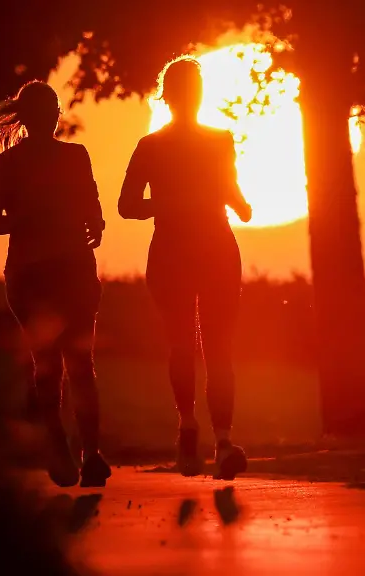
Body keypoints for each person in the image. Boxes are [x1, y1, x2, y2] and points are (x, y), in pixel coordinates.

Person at [119, 57, 252, 480]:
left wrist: (238, 203)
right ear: (177, 96)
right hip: (200, 248)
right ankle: (209, 436)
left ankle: (203, 434)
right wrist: (191, 203)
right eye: (191, 88)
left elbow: (228, 186)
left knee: (198, 346)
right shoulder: (167, 144)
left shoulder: (170, 144)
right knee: (209, 347)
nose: (193, 95)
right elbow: (126, 205)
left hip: (190, 249)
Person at [0, 80, 110, 488]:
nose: (50, 117)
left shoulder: (72, 156)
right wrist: (25, 220)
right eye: (46, 111)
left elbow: (92, 205)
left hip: (57, 271)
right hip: (41, 273)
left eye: (52, 110)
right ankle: (75, 451)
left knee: (60, 364)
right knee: (68, 364)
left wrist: (95, 224)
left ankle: (82, 453)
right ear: (39, 116)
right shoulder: (12, 163)